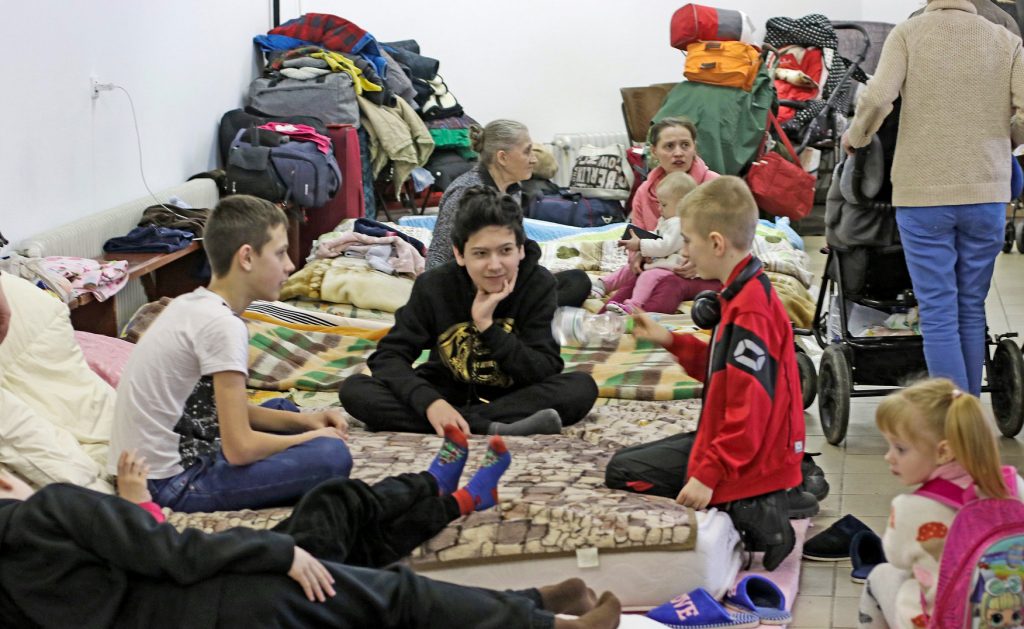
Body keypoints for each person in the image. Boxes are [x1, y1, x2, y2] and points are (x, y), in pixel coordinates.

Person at [0, 438, 623, 628]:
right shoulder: (51, 509)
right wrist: (278, 550)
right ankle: (538, 618)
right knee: (387, 590)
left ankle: (456, 504)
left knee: (341, 521)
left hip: (194, 598)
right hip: (222, 600)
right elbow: (175, 553)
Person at [603, 177, 807, 571]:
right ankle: (766, 488)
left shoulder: (750, 312)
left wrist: (708, 475)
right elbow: (722, 369)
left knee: (624, 472)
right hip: (745, 443)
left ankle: (756, 504)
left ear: (716, 243)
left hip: (754, 455)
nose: (686, 251)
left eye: (690, 241)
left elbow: (750, 409)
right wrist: (669, 340)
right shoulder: (742, 292)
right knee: (630, 460)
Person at [108, 195, 352, 513]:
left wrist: (308, 421)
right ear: (247, 257)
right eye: (280, 253)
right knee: (331, 457)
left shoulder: (191, 303)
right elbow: (240, 449)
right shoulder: (223, 326)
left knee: (284, 411)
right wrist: (310, 438)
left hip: (164, 459)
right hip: (171, 482)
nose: (291, 264)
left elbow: (218, 411)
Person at [841, 0, 1024, 396]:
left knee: (939, 313)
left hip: (922, 193)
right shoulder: (1006, 39)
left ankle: (953, 424)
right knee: (971, 308)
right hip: (987, 191)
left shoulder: (908, 34)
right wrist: (1007, 139)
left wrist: (856, 138)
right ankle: (969, 415)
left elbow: (877, 98)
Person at [340, 186, 599, 436]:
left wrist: (487, 325)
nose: (495, 265)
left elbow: (545, 369)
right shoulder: (435, 286)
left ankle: (461, 422)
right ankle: (488, 426)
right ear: (460, 254)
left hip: (514, 396)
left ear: (520, 249)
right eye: (481, 254)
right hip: (445, 392)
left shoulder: (537, 284)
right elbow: (389, 357)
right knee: (355, 390)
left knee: (580, 387)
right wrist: (431, 403)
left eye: (505, 251)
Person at [856, 378, 1024, 629]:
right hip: (1006, 615)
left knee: (880, 576)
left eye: (900, 448)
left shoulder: (910, 508)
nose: (888, 456)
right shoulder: (1013, 485)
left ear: (943, 452)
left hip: (944, 622)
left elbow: (897, 558)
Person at [423, 119, 591, 308]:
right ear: (502, 158)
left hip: (504, 282)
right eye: (527, 151)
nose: (534, 159)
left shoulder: (512, 190)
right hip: (474, 288)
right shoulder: (466, 193)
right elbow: (438, 253)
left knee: (576, 280)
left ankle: (524, 311)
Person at [593, 171, 721, 315]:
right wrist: (641, 249)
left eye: (664, 205)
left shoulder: (680, 223)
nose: (659, 209)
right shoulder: (665, 218)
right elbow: (656, 236)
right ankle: (604, 286)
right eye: (658, 203)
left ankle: (633, 305)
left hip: (671, 267)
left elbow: (665, 245)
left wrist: (641, 245)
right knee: (631, 269)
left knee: (648, 277)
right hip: (659, 262)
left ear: (683, 205)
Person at [630, 117, 720, 233]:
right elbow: (636, 242)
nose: (678, 153)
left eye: (685, 145)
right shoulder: (644, 193)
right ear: (654, 151)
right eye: (669, 146)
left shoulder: (716, 185)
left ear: (694, 148)